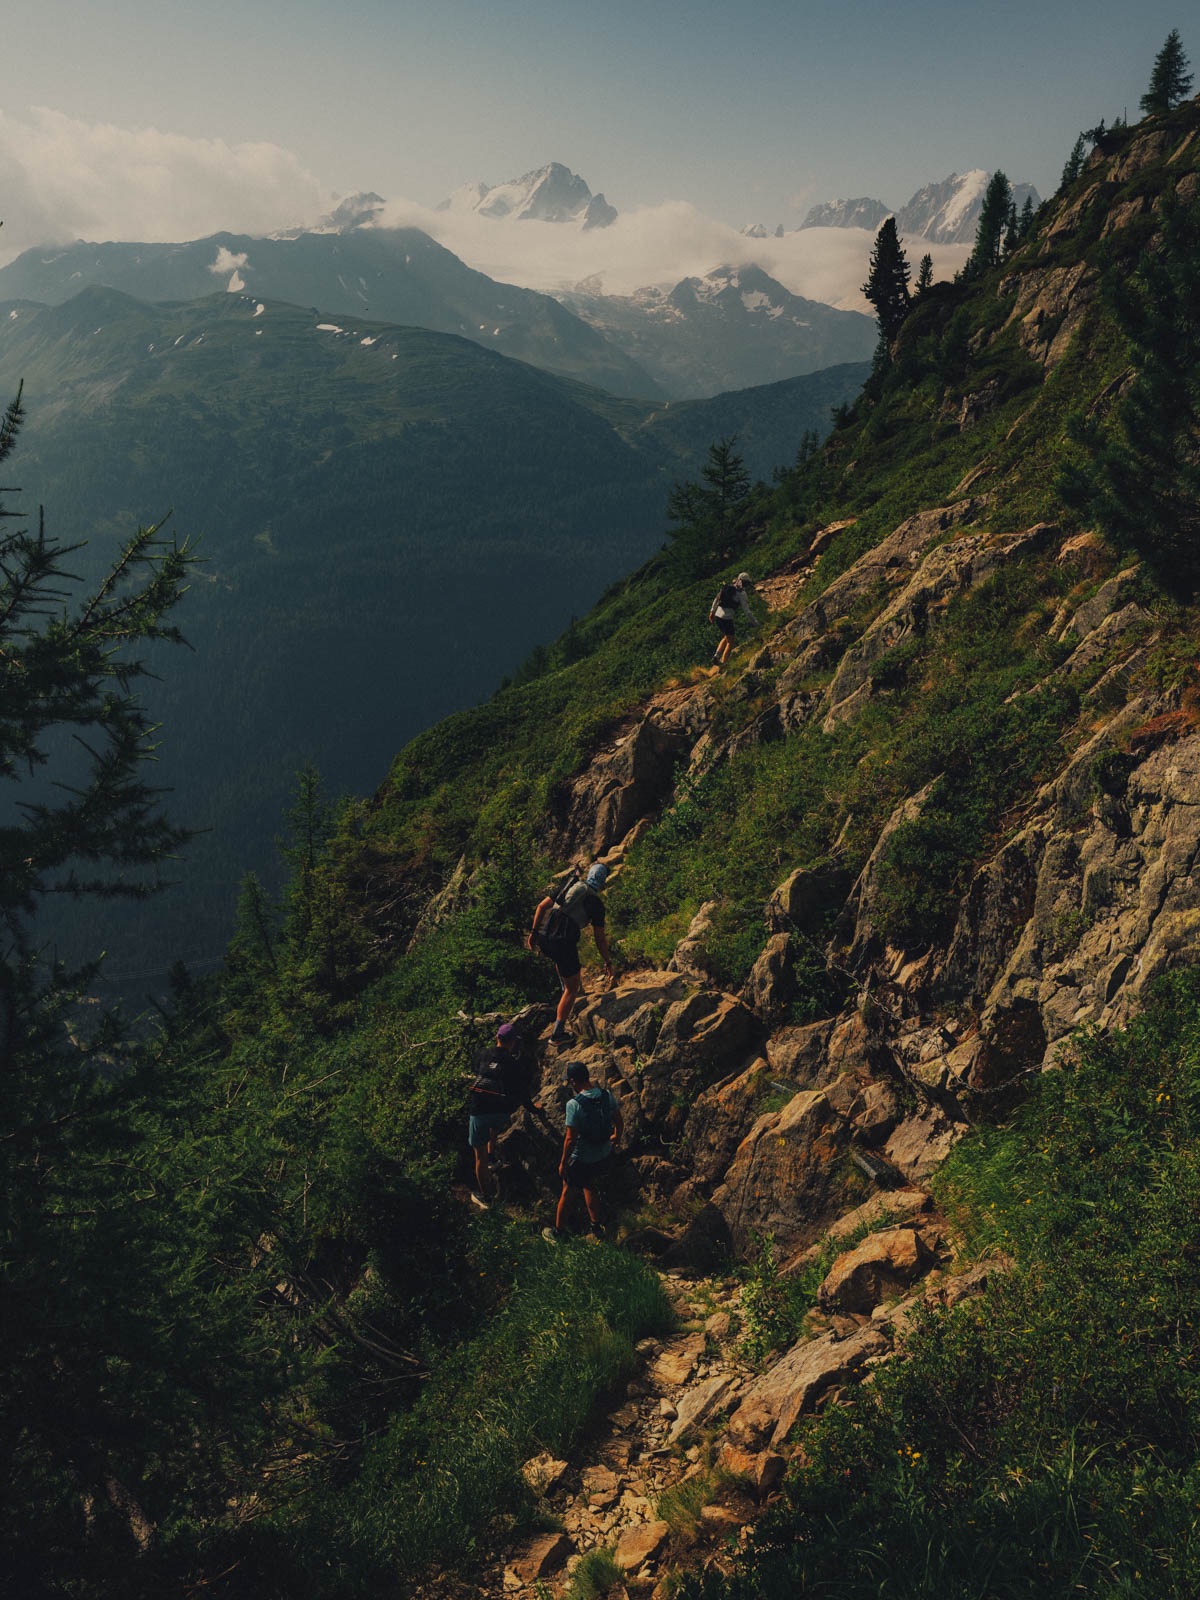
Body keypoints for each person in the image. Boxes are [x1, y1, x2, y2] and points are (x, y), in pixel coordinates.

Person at [527, 861, 613, 1046]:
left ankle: (565, 995)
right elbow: (599, 938)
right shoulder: (596, 904)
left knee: (563, 967)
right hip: (563, 941)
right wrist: (608, 961)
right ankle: (557, 1034)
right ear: (602, 881)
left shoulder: (570, 885)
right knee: (572, 988)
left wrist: (533, 933)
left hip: (545, 936)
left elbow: (541, 907)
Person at [542, 1061, 623, 1242]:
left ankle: (558, 1233)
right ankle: (596, 1225)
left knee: (567, 1192)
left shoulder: (574, 1104)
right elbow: (619, 1120)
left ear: (573, 1081)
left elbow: (570, 1139)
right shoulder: (606, 1095)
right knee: (589, 1184)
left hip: (582, 1158)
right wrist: (616, 1138)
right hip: (603, 1154)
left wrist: (563, 1162)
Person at [466, 1021, 536, 1205]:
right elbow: (521, 1092)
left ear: (497, 1037)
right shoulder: (513, 1064)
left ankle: (486, 1197)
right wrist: (534, 1109)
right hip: (500, 1112)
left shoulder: (482, 1054)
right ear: (513, 1042)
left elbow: (475, 1069)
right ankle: (492, 1156)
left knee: (478, 1156)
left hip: (479, 1110)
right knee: (494, 1126)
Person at [709, 571, 756, 667]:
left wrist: (712, 612)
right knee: (731, 641)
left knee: (726, 637)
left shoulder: (728, 587)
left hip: (718, 615)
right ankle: (723, 663)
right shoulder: (742, 593)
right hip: (727, 618)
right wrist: (754, 622)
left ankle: (716, 656)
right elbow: (747, 611)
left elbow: (717, 599)